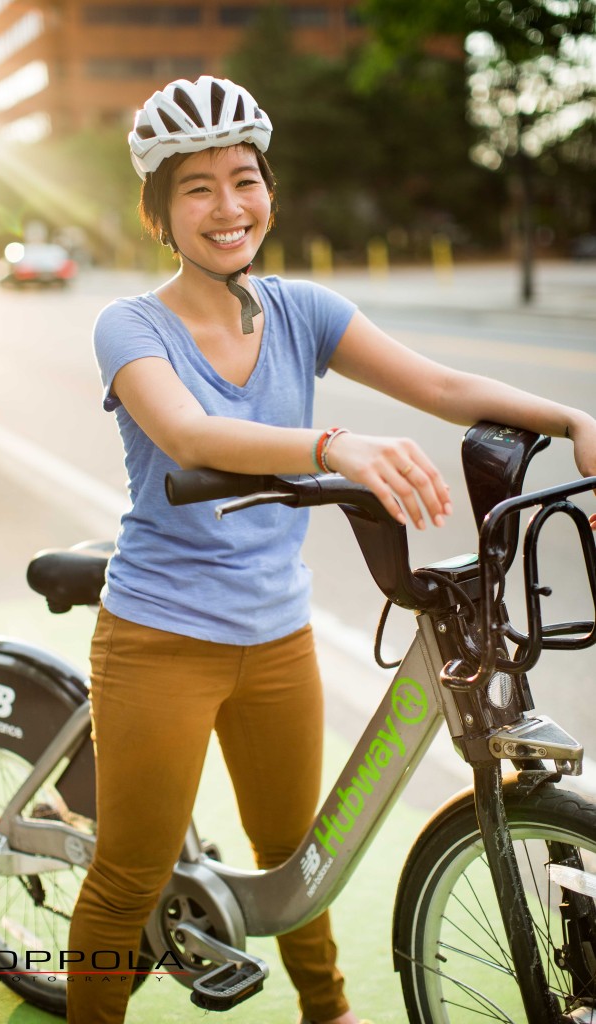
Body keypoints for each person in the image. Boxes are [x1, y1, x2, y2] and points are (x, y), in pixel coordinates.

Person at [67, 76, 596, 1024]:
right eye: (197, 188)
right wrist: (333, 444)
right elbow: (189, 434)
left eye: (244, 179)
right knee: (127, 877)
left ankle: (329, 1012)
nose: (229, 207)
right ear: (159, 210)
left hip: (276, 637)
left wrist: (571, 416)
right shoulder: (130, 325)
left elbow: (437, 384)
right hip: (158, 640)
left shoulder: (300, 309)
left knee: (297, 850)